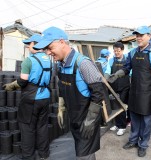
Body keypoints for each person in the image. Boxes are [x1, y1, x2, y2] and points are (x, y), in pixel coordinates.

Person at [33, 27, 104, 160]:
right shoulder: (60, 65)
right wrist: (61, 107)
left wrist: (90, 120)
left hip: (87, 120)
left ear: (62, 42)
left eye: (50, 47)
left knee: (84, 155)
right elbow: (62, 87)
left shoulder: (83, 64)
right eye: (46, 49)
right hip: (74, 118)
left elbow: (99, 93)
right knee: (81, 152)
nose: (48, 52)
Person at [108, 26, 151, 157]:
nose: (138, 38)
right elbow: (127, 68)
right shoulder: (133, 53)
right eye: (137, 35)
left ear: (149, 36)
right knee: (134, 119)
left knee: (145, 122)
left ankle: (143, 145)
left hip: (148, 93)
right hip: (133, 92)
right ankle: (133, 140)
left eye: (141, 35)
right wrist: (116, 75)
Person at [3, 34, 52, 160]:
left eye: (29, 44)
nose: (28, 46)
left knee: (27, 128)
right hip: (45, 96)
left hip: (31, 98)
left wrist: (11, 86)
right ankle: (44, 154)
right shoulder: (48, 59)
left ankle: (28, 156)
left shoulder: (29, 60)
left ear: (35, 44)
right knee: (42, 126)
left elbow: (23, 81)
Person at [104, 42, 130, 136]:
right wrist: (106, 78)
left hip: (125, 86)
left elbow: (130, 72)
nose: (116, 53)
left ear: (122, 50)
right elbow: (107, 70)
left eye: (118, 51)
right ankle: (116, 124)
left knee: (122, 106)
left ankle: (122, 126)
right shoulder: (111, 60)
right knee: (114, 105)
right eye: (115, 51)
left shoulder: (127, 59)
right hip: (114, 86)